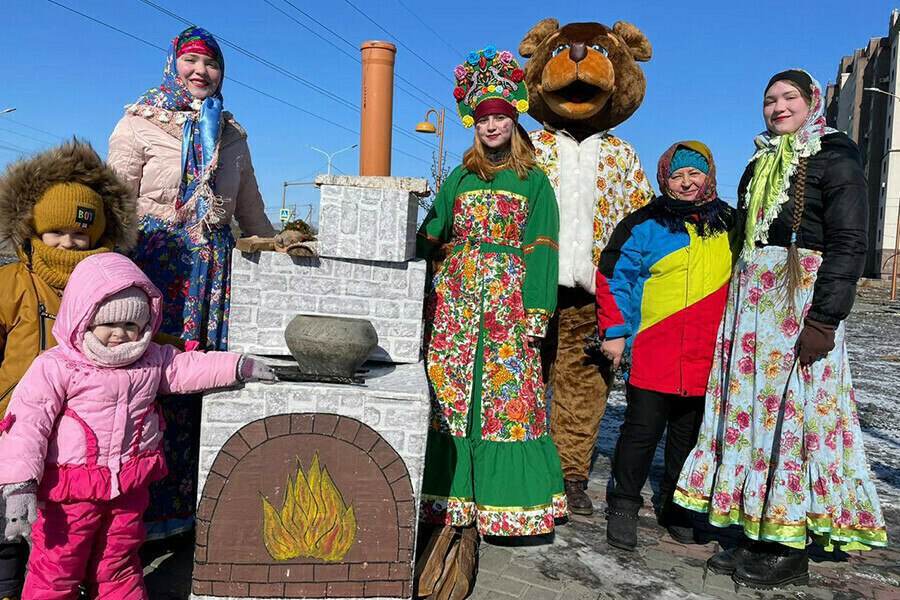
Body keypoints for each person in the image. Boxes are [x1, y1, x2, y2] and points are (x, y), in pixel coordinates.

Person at [674, 70, 888, 589]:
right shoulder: (760, 159)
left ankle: (788, 545)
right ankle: (756, 526)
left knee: (792, 417)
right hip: (752, 308)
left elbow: (849, 243)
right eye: (769, 99)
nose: (778, 107)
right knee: (750, 418)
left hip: (799, 304)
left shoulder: (836, 156)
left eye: (790, 97)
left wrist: (824, 318)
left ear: (813, 101)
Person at [0, 252, 275, 599]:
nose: (121, 335)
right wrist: (20, 484)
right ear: (83, 318)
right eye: (109, 324)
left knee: (119, 561)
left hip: (128, 486)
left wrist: (239, 366)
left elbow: (189, 368)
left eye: (132, 325)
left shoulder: (151, 361)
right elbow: (27, 424)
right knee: (58, 566)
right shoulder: (56, 367)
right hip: (70, 491)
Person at [107, 26, 275, 539]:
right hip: (154, 268)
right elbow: (114, 201)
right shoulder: (138, 122)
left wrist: (279, 247)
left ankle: (189, 511)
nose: (201, 72)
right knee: (146, 380)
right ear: (173, 64)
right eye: (192, 61)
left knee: (202, 378)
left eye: (212, 64)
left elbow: (250, 211)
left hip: (214, 276)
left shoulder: (232, 134)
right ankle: (133, 514)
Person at [414, 46, 564, 598]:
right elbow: (433, 230)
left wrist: (537, 309)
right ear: (474, 124)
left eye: (501, 115)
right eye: (484, 117)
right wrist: (410, 241)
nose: (494, 124)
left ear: (515, 119)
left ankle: (506, 506)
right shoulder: (459, 176)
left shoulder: (535, 182)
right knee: (450, 393)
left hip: (506, 304)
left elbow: (543, 247)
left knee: (506, 399)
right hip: (455, 302)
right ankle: (446, 498)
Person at [0, 139, 137, 600]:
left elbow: (137, 334)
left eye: (81, 236)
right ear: (34, 227)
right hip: (14, 420)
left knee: (59, 529)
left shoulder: (108, 287)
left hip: (74, 436)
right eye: (57, 232)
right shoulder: (13, 281)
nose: (69, 243)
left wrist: (182, 346)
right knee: (7, 520)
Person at [593, 141, 735, 551]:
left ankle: (677, 506)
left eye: (695, 173)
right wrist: (615, 332)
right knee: (641, 431)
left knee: (688, 435)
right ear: (665, 180)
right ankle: (623, 504)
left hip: (707, 354)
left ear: (709, 175)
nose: (687, 182)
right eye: (677, 175)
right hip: (655, 346)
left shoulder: (731, 223)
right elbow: (612, 276)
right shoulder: (644, 224)